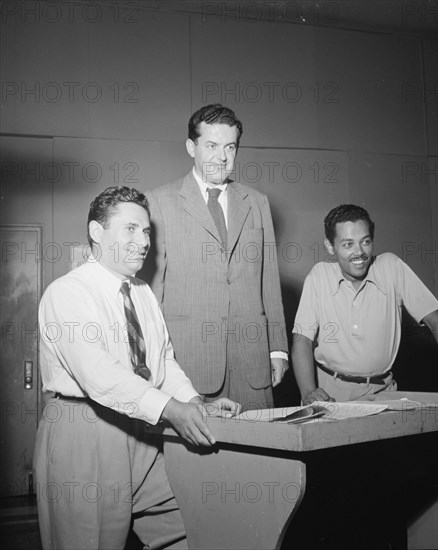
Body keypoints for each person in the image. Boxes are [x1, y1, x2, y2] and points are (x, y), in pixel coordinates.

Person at [34, 186, 240, 550]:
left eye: (146, 231)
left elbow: (163, 360)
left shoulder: (142, 291)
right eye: (130, 229)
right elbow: (99, 374)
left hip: (145, 430)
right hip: (86, 431)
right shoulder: (67, 293)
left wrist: (194, 401)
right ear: (97, 233)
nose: (143, 241)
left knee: (188, 531)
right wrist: (169, 409)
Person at [146, 104, 288, 411]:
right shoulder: (159, 202)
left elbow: (269, 280)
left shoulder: (257, 203)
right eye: (211, 146)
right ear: (190, 147)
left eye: (230, 147)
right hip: (189, 367)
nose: (221, 157)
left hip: (252, 365)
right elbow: (152, 293)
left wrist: (277, 349)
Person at [292, 203, 438, 405]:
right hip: (331, 394)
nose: (359, 252)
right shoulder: (319, 276)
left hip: (383, 393)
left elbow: (437, 323)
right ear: (330, 246)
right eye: (348, 244)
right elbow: (302, 340)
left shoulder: (391, 267)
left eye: (365, 241)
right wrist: (308, 392)